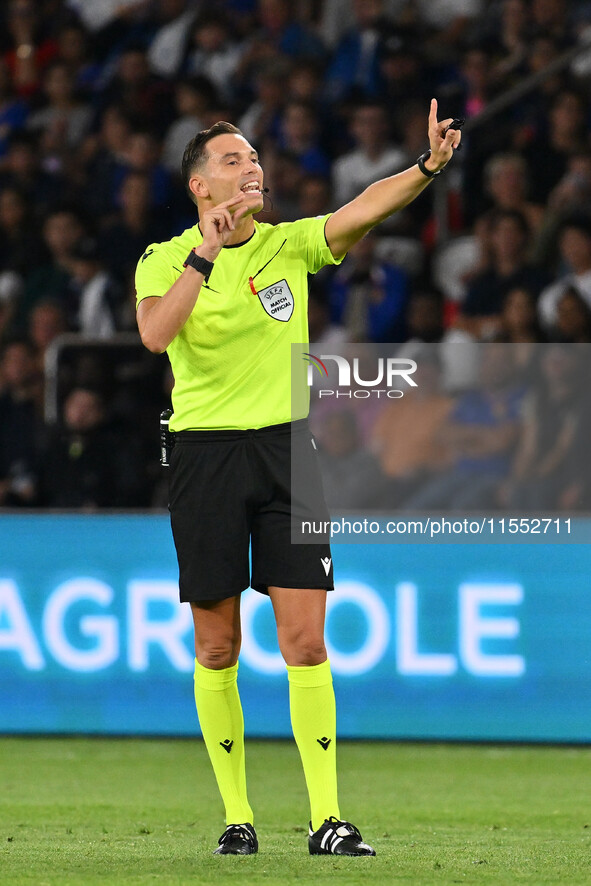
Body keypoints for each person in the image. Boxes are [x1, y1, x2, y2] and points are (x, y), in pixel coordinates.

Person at [135, 102, 461, 857]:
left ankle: (327, 820)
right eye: (231, 160)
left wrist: (426, 168)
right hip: (202, 454)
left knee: (305, 641)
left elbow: (359, 210)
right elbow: (156, 334)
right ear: (198, 187)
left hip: (289, 453)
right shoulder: (164, 258)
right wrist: (204, 259)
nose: (250, 167)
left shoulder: (288, 247)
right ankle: (237, 819)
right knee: (216, 647)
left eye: (253, 157)